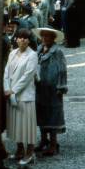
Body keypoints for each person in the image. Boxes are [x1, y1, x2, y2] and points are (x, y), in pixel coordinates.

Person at [3, 29, 39, 165]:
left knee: (27, 125)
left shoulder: (32, 55)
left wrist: (13, 90)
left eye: (25, 38)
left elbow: (28, 76)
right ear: (16, 39)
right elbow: (6, 72)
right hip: (11, 93)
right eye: (19, 37)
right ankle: (19, 150)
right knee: (16, 124)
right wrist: (7, 88)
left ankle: (30, 153)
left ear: (29, 40)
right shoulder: (12, 53)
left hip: (25, 94)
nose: (22, 40)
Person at [34, 27, 67, 156]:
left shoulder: (57, 51)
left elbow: (62, 70)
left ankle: (53, 144)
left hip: (53, 88)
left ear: (53, 38)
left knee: (53, 114)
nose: (44, 39)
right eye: (42, 36)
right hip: (40, 87)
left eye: (47, 36)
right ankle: (43, 140)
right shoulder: (38, 50)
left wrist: (61, 87)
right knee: (41, 112)